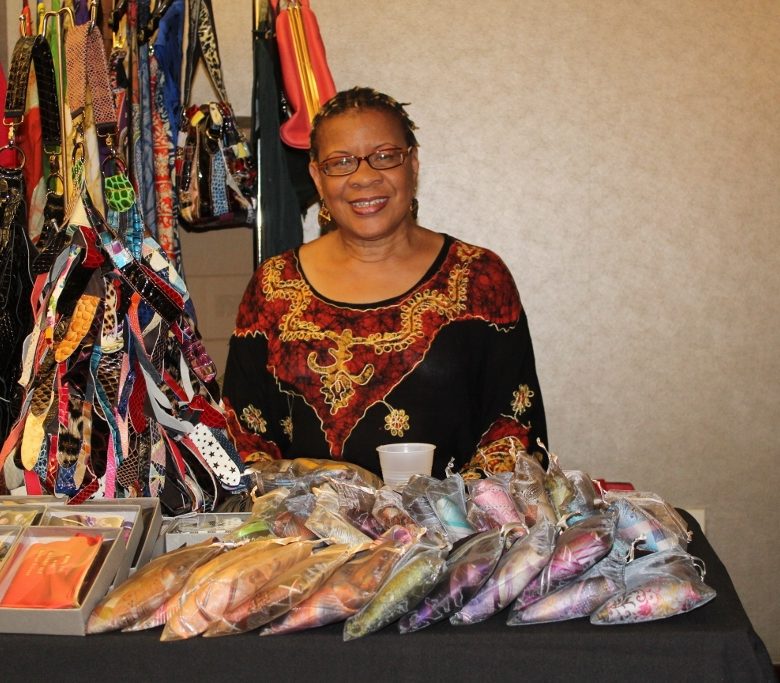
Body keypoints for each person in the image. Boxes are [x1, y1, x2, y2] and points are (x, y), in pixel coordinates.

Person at [222, 87, 547, 480]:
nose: (363, 177)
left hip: (453, 517)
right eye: (340, 162)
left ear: (413, 164)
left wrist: (439, 507)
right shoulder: (274, 285)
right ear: (317, 178)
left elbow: (513, 431)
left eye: (384, 156)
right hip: (309, 519)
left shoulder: (478, 277)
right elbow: (244, 434)